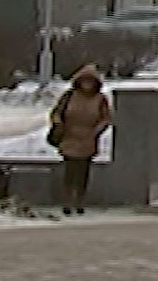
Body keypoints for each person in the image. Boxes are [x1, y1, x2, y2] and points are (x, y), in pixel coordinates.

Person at [50, 64, 113, 214]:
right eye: (84, 81)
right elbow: (57, 112)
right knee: (69, 171)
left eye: (90, 82)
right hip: (69, 136)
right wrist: (58, 123)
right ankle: (67, 201)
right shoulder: (69, 96)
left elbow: (106, 118)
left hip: (88, 138)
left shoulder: (100, 99)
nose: (87, 85)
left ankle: (79, 201)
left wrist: (96, 130)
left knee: (83, 172)